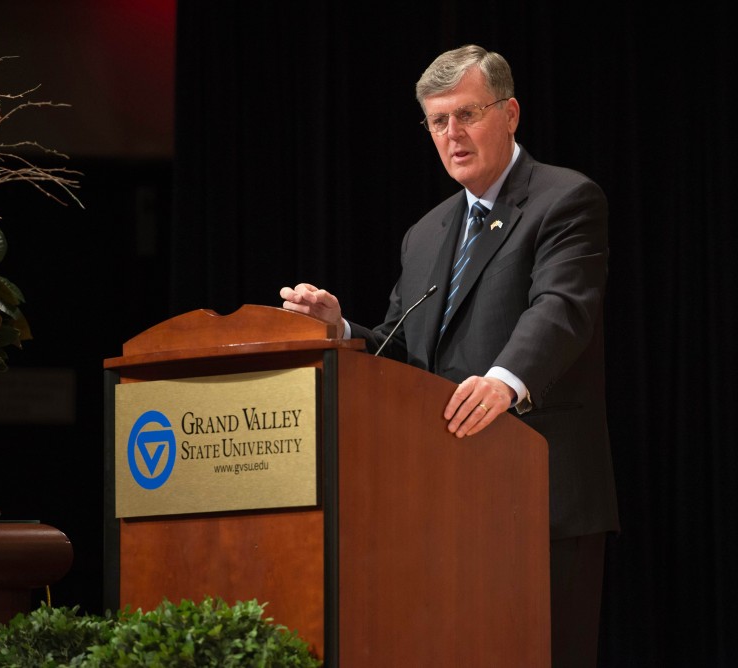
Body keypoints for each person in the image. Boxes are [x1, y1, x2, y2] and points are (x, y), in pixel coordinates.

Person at [280, 44, 619, 668]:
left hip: (538, 493)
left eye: (467, 114)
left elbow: (561, 309)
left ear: (510, 113)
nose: (452, 135)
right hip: (440, 498)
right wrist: (341, 328)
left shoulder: (565, 200)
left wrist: (504, 381)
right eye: (438, 121)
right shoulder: (427, 232)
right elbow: (405, 346)